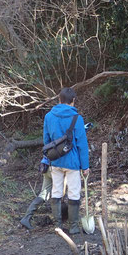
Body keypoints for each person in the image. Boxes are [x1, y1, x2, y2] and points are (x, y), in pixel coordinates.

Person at [43, 87, 89, 234]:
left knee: (56, 191)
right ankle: (74, 226)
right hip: (73, 162)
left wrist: (48, 158)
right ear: (73, 101)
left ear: (59, 100)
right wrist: (85, 166)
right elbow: (82, 144)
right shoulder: (77, 119)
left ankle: (58, 225)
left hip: (55, 160)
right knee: (74, 192)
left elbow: (47, 141)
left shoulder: (49, 117)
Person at [20, 156, 52, 230]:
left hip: (46, 165)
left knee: (44, 194)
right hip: (57, 168)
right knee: (58, 193)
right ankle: (59, 223)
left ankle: (26, 218)